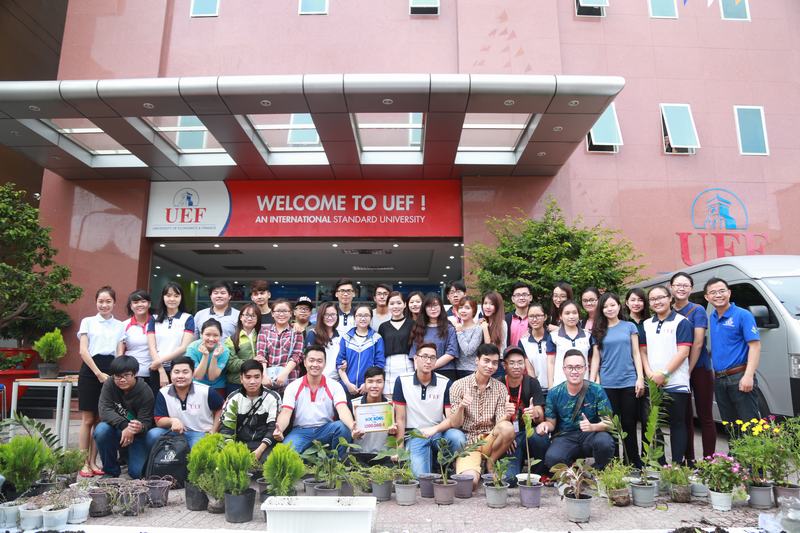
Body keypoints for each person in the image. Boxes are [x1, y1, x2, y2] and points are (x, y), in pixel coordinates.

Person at [393, 343, 466, 478]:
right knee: (421, 478)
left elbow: (451, 419)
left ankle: (442, 464)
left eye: (432, 358)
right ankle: (430, 462)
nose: (428, 361)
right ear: (415, 358)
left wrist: (434, 429)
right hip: (415, 435)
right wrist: (400, 448)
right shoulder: (402, 381)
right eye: (424, 356)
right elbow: (400, 419)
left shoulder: (445, 383)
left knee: (458, 438)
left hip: (438, 432)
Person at [449, 344, 515, 490]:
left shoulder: (500, 388)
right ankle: (474, 468)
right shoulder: (458, 385)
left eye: (494, 363)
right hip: (469, 443)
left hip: (490, 440)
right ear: (477, 360)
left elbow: (500, 425)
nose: (490, 366)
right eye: (486, 361)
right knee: (470, 483)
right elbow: (455, 423)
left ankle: (490, 463)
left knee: (507, 427)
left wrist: (507, 415)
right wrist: (461, 407)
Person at [590, 292, 645, 467]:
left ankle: (632, 461)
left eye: (612, 305)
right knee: (610, 425)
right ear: (601, 310)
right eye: (605, 306)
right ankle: (612, 463)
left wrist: (640, 378)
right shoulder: (598, 330)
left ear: (619, 306)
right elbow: (596, 358)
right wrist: (592, 381)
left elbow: (636, 353)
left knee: (629, 424)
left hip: (629, 381)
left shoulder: (629, 326)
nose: (609, 309)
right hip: (607, 383)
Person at [536, 349, 615, 470]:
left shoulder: (596, 390)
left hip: (591, 435)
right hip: (566, 436)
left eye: (578, 367)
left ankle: (597, 472)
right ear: (564, 369)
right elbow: (551, 423)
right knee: (553, 458)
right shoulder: (554, 393)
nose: (574, 371)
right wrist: (544, 425)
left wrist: (592, 426)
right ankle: (572, 473)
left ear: (585, 369)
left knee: (605, 442)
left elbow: (609, 423)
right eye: (570, 367)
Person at [640, 285, 692, 465]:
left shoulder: (682, 322)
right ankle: (660, 464)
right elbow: (643, 352)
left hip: (676, 382)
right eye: (653, 299)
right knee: (653, 424)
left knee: (677, 423)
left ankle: (676, 465)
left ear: (670, 298)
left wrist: (664, 374)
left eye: (661, 297)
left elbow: (683, 352)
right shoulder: (646, 324)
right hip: (652, 382)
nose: (657, 302)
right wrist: (649, 374)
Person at [273, 345, 355, 456]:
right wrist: (280, 430)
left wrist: (352, 427)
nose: (315, 364)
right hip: (300, 431)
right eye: (311, 360)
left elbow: (342, 409)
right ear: (304, 362)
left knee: (343, 428)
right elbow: (286, 412)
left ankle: (336, 462)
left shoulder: (334, 385)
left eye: (319, 361)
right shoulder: (293, 386)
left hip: (326, 429)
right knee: (285, 453)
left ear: (325, 364)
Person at [77, 286, 124, 478]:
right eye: (101, 301)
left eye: (108, 301)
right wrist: (98, 373)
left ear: (114, 303)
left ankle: (94, 461)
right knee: (88, 419)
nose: (104, 305)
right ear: (96, 302)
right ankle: (83, 462)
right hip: (90, 370)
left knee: (101, 419)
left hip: (110, 370)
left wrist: (115, 374)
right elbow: (83, 350)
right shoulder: (87, 322)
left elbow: (119, 351)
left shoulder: (120, 325)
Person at [671, 272, 716, 462]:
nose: (681, 288)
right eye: (677, 285)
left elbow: (698, 343)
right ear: (671, 287)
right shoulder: (667, 310)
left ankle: (709, 460)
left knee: (705, 415)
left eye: (685, 285)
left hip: (699, 368)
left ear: (691, 288)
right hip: (676, 368)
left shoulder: (697, 310)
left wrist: (688, 369)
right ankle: (689, 459)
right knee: (684, 416)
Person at [705, 277, 762, 423]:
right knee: (730, 427)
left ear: (729, 293)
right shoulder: (712, 317)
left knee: (750, 426)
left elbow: (755, 346)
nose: (718, 295)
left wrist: (748, 376)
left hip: (739, 376)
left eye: (721, 291)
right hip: (719, 379)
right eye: (713, 292)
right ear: (707, 297)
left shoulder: (743, 315)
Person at [94, 355, 154, 479]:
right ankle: (110, 471)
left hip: (137, 436)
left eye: (126, 375)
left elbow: (147, 421)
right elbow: (104, 410)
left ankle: (127, 456)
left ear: (135, 374)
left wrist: (138, 427)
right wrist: (125, 426)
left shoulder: (145, 391)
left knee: (137, 473)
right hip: (117, 430)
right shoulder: (109, 384)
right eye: (118, 376)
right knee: (101, 430)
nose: (122, 380)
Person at [146, 356, 224, 449]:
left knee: (196, 448)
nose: (180, 376)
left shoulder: (206, 391)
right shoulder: (163, 392)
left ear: (192, 374)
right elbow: (159, 420)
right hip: (175, 432)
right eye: (176, 372)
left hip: (200, 432)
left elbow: (221, 408)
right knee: (153, 435)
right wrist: (172, 421)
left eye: (185, 372)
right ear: (170, 374)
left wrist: (214, 431)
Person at [219, 359, 282, 462]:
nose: (252, 381)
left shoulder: (273, 397)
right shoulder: (233, 398)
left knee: (270, 461)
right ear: (241, 378)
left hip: (264, 445)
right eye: (248, 377)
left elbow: (272, 429)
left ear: (262, 377)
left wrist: (259, 451)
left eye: (257, 377)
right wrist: (234, 451)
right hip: (238, 444)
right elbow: (226, 430)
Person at [502, 347, 549, 483]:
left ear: (524, 364)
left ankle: (537, 473)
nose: (516, 366)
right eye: (512, 363)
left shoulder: (532, 383)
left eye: (520, 362)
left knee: (539, 436)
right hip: (509, 437)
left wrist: (535, 413)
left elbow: (540, 415)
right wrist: (505, 436)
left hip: (528, 433)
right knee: (510, 480)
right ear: (504, 365)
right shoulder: (499, 383)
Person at [147, 282, 195, 389]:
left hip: (179, 369)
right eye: (168, 295)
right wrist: (161, 369)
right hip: (156, 369)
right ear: (163, 297)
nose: (172, 299)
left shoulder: (188, 318)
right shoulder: (154, 318)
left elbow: (183, 347)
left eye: (176, 296)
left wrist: (158, 361)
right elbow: (151, 347)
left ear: (181, 298)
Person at [255, 298, 304, 392]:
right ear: (272, 313)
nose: (281, 314)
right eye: (278, 311)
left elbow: (297, 355)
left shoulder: (296, 332)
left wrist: (284, 374)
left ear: (291, 313)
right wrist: (264, 375)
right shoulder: (264, 331)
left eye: (285, 311)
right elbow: (261, 355)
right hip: (268, 380)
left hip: (290, 379)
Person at [337, 304, 386, 397]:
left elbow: (380, 364)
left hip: (368, 389)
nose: (363, 318)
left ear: (371, 318)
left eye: (366, 315)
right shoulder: (346, 338)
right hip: (347, 388)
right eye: (359, 315)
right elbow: (339, 364)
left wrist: (367, 383)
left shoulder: (376, 338)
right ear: (354, 318)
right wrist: (348, 384)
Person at [409, 292, 459, 381]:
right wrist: (418, 372)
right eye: (429, 306)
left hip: (446, 372)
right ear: (424, 309)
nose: (433, 309)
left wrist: (429, 366)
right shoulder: (418, 328)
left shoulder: (449, 328)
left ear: (441, 307)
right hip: (423, 373)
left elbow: (451, 353)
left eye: (436, 305)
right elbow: (414, 354)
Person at [351, 366, 395, 463]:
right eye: (370, 381)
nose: (374, 386)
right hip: (359, 455)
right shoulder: (354, 404)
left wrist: (394, 433)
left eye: (379, 382)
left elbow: (398, 435)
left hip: (384, 456)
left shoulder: (391, 405)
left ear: (384, 383)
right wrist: (353, 434)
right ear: (365, 384)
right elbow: (349, 433)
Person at [546, 300, 592, 389]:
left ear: (579, 315)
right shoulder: (554, 336)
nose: (571, 316)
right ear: (561, 316)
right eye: (567, 313)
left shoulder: (588, 336)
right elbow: (550, 363)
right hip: (560, 385)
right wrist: (551, 386)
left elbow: (591, 361)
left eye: (574, 313)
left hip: (584, 386)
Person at [378, 291, 414, 397]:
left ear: (405, 304)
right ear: (388, 306)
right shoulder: (383, 327)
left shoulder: (412, 324)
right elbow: (380, 350)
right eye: (392, 303)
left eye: (399, 303)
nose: (395, 306)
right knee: (389, 397)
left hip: (408, 363)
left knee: (409, 395)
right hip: (389, 365)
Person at [223, 303, 261, 396]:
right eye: (246, 315)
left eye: (253, 316)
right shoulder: (231, 340)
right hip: (236, 383)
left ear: (257, 319)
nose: (249, 318)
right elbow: (231, 364)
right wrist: (252, 361)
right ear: (241, 317)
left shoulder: (263, 336)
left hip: (258, 383)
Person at [186, 318, 230, 397]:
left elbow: (212, 377)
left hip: (217, 386)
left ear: (221, 336)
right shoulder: (192, 348)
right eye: (207, 335)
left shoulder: (224, 350)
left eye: (215, 335)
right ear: (201, 334)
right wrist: (205, 355)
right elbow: (198, 376)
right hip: (196, 385)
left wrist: (215, 357)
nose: (211, 339)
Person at [519, 303, 552, 393]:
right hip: (537, 389)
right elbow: (530, 370)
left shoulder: (553, 338)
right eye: (531, 316)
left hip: (555, 388)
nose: (534, 319)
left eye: (538, 316)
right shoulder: (523, 342)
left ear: (545, 317)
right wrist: (536, 390)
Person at [306, 301, 342, 381]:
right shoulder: (313, 334)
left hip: (336, 380)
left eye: (333, 314)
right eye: (326, 314)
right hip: (317, 380)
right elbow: (309, 360)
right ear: (321, 316)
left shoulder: (340, 336)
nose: (330, 318)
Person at [454, 297, 483, 379]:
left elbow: (468, 351)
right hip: (456, 370)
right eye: (460, 307)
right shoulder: (456, 328)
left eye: (467, 308)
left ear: (474, 311)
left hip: (471, 370)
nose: (463, 311)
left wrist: (459, 332)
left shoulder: (477, 329)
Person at [481, 291, 508, 357]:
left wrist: (485, 329)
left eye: (492, 304)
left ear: (497, 306)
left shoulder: (502, 324)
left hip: (496, 360)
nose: (487, 307)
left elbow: (490, 349)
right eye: (485, 303)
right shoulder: (483, 322)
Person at [506, 282, 533, 348]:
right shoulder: (506, 319)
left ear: (530, 297)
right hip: (510, 354)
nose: (521, 298)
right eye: (517, 295)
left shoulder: (536, 318)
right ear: (513, 299)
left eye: (524, 294)